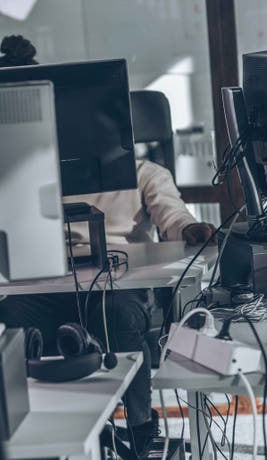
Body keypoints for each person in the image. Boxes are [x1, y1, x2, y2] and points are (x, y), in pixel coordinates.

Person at [0, 34, 216, 457]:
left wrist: (191, 230)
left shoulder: (144, 174)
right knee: (11, 323)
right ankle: (42, 437)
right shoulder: (20, 178)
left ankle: (140, 433)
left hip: (115, 288)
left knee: (115, 316)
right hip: (39, 291)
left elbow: (174, 218)